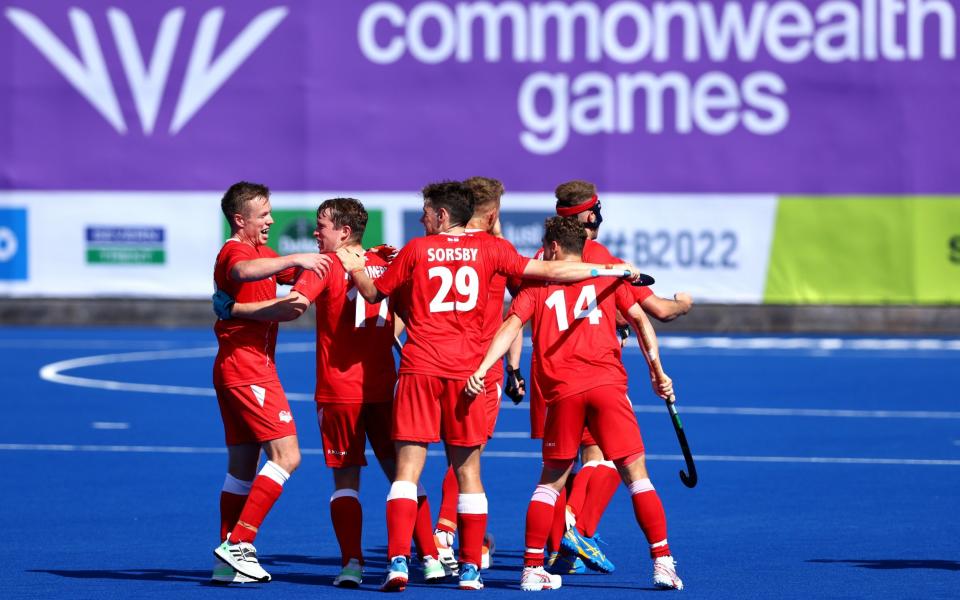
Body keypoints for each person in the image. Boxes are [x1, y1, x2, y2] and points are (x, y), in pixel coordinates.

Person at [338, 181, 644, 592]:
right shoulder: (493, 250)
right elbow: (552, 271)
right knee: (469, 472)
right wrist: (611, 270)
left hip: (420, 370)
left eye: (426, 212)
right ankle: (470, 569)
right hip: (468, 375)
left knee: (407, 471)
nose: (421, 219)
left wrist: (353, 263)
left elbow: (374, 293)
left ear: (442, 215)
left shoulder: (416, 250)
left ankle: (397, 563)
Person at [212, 198, 444, 588]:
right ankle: (432, 558)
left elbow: (294, 305)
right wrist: (383, 339)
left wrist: (230, 308)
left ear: (344, 231)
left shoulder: (326, 265)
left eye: (322, 226)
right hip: (384, 385)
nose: (316, 233)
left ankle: (351, 564)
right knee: (404, 475)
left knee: (344, 481)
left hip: (338, 391)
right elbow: (405, 312)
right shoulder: (386, 261)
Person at [466, 216, 684, 592]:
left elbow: (510, 328)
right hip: (608, 387)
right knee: (637, 477)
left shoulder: (538, 284)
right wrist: (657, 372)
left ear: (551, 249)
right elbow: (642, 321)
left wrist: (484, 367)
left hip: (563, 393)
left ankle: (532, 567)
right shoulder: (609, 276)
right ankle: (663, 563)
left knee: (550, 482)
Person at [511, 180, 693, 574]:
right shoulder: (601, 258)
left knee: (557, 471)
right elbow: (652, 313)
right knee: (607, 459)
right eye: (596, 211)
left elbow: (514, 319)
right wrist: (683, 305)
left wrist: (510, 368)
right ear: (587, 216)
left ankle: (553, 550)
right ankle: (580, 528)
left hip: (550, 378)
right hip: (595, 374)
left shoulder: (541, 260)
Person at [210, 181, 332, 584]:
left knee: (242, 468)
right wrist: (296, 259)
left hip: (239, 368)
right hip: (248, 369)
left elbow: (294, 275)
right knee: (287, 457)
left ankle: (226, 559)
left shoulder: (264, 253)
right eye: (263, 215)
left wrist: (344, 259)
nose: (271, 220)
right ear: (239, 219)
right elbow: (243, 271)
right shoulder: (236, 252)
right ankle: (240, 543)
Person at [432, 176, 508, 575]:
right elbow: (519, 313)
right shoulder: (497, 249)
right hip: (482, 368)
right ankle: (447, 537)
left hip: (436, 364)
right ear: (493, 213)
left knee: (452, 453)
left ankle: (454, 538)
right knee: (468, 455)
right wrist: (513, 367)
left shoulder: (437, 248)